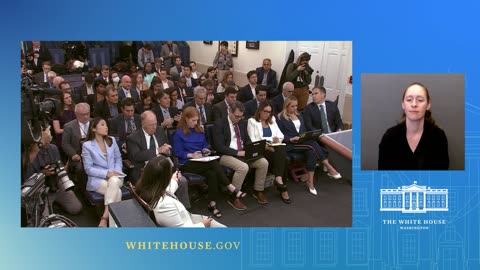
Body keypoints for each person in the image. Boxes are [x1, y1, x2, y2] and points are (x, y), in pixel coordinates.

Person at [173, 107, 247, 216]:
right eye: (193, 120)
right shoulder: (178, 133)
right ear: (185, 119)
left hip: (202, 161)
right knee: (213, 163)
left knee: (212, 173)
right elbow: (177, 152)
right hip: (187, 163)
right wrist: (192, 155)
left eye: (197, 120)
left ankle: (212, 204)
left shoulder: (199, 131)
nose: (195, 122)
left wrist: (205, 150)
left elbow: (205, 146)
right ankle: (231, 187)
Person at [276, 96, 341, 196]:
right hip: (290, 144)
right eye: (292, 106)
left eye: (296, 106)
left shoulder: (299, 115)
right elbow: (279, 134)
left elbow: (304, 129)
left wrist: (307, 135)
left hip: (303, 142)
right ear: (286, 106)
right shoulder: (279, 118)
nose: (295, 108)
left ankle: (310, 182)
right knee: (312, 144)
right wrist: (290, 139)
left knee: (311, 151)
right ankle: (329, 167)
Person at [135, 156, 225, 227]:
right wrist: (203, 224)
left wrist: (175, 180)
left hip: (185, 218)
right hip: (190, 226)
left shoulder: (147, 189)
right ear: (165, 178)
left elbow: (166, 191)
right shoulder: (164, 206)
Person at [126, 111, 191, 208]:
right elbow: (136, 156)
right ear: (143, 124)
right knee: (156, 186)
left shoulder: (160, 131)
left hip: (164, 167)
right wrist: (158, 150)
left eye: (155, 124)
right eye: (151, 125)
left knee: (182, 181)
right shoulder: (133, 138)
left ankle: (184, 210)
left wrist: (168, 151)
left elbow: (168, 149)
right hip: (145, 170)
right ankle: (162, 210)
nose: (154, 127)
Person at [378, 82, 449, 170]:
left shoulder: (438, 137)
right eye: (409, 100)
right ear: (403, 105)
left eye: (420, 100)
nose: (414, 104)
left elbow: (441, 177)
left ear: (428, 105)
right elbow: (383, 177)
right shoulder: (389, 137)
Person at [214, 101, 269, 208]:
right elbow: (219, 146)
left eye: (241, 116)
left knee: (263, 162)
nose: (239, 119)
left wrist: (251, 149)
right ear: (229, 111)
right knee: (243, 167)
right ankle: (234, 197)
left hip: (243, 152)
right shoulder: (220, 124)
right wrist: (237, 152)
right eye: (237, 116)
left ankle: (258, 190)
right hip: (226, 154)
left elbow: (247, 139)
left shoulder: (242, 123)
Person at [25, 125, 83, 216]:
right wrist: (43, 173)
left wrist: (61, 170)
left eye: (50, 136)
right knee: (44, 218)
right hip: (40, 189)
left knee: (76, 208)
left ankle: (57, 202)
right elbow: (28, 180)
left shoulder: (53, 148)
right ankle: (50, 204)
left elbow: (59, 167)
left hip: (56, 183)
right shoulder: (29, 154)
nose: (49, 139)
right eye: (46, 137)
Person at [81, 117, 124, 227]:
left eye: (106, 125)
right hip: (97, 179)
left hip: (116, 176)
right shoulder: (87, 146)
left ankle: (104, 218)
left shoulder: (112, 140)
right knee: (117, 192)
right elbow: (88, 169)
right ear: (94, 129)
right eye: (103, 124)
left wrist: (116, 171)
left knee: (114, 181)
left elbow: (118, 158)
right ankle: (113, 226)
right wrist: (106, 174)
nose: (106, 127)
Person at [247, 101, 291, 203]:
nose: (267, 114)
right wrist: (266, 146)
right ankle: (282, 188)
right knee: (283, 158)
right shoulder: (252, 121)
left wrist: (276, 140)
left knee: (280, 149)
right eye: (265, 111)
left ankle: (279, 179)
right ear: (260, 111)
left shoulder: (272, 120)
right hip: (261, 149)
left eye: (269, 112)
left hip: (274, 148)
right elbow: (253, 140)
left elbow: (281, 135)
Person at [52, 92, 76, 160]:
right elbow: (57, 130)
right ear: (62, 100)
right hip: (63, 137)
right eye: (66, 98)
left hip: (74, 135)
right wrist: (69, 130)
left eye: (70, 97)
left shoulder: (75, 109)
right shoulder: (58, 112)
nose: (69, 99)